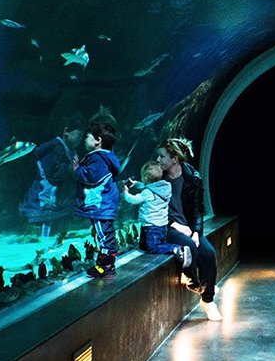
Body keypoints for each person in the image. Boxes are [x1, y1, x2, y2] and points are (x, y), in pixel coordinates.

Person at [157, 135, 220, 321]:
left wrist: (196, 232)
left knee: (208, 253)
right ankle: (195, 284)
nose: (158, 160)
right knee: (189, 248)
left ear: (174, 158)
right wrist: (173, 224)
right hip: (167, 228)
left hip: (188, 228)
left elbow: (197, 211)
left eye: (162, 156)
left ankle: (208, 301)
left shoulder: (193, 178)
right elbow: (150, 209)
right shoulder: (156, 177)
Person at [20, 116, 84, 240]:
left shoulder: (70, 151)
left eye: (82, 136)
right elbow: (52, 174)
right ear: (66, 131)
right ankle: (42, 244)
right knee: (46, 225)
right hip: (45, 197)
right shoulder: (56, 148)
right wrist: (71, 169)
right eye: (79, 134)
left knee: (54, 226)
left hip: (56, 200)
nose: (81, 138)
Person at [74, 120, 122, 278]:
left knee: (104, 235)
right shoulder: (107, 155)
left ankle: (106, 267)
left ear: (98, 140)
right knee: (105, 233)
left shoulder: (97, 158)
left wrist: (77, 169)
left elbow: (92, 177)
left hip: (100, 204)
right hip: (103, 204)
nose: (84, 140)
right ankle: (106, 263)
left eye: (87, 137)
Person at [122, 160, 192, 266]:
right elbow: (149, 187)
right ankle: (167, 247)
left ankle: (176, 248)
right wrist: (136, 184)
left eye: (142, 176)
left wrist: (125, 193)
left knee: (153, 247)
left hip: (151, 226)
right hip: (162, 225)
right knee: (146, 246)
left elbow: (134, 200)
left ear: (145, 178)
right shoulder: (165, 187)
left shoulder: (147, 193)